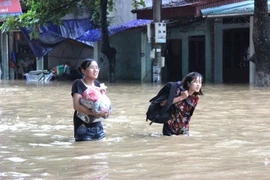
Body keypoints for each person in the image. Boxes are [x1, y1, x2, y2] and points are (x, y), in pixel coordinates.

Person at [71, 59, 110, 141]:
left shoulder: (97, 84)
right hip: (83, 127)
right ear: (83, 71)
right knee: (85, 152)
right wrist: (94, 113)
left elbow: (100, 104)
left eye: (97, 67)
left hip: (98, 127)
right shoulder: (78, 83)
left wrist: (105, 111)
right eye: (92, 67)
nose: (96, 70)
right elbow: (76, 106)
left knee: (101, 152)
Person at [161, 72, 203, 136]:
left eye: (200, 82)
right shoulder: (178, 92)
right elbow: (162, 103)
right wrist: (181, 97)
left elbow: (189, 114)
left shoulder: (196, 98)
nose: (198, 85)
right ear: (188, 83)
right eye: (196, 82)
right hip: (170, 127)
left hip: (184, 128)